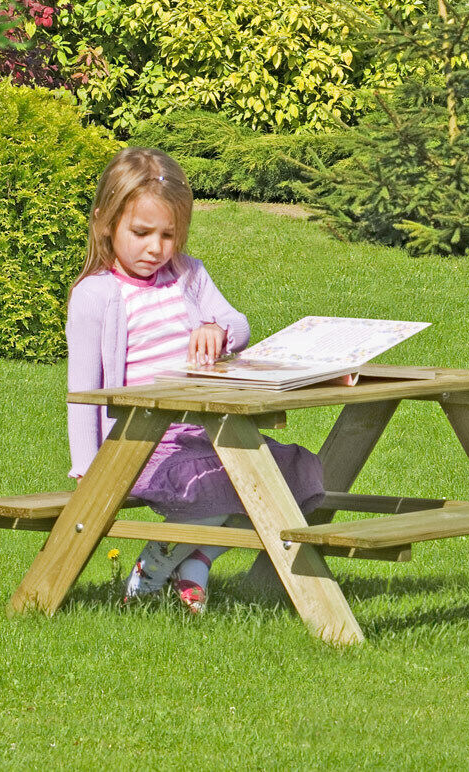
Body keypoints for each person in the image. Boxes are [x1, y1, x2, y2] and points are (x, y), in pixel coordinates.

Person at [66, 147, 325, 614]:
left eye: (169, 234)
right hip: (142, 445)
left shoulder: (188, 274)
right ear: (105, 222)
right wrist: (89, 471)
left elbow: (239, 325)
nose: (156, 248)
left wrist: (217, 330)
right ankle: (159, 564)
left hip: (206, 434)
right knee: (212, 486)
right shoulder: (96, 295)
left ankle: (198, 558)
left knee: (300, 476)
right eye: (141, 233)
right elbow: (82, 390)